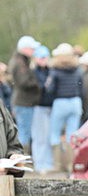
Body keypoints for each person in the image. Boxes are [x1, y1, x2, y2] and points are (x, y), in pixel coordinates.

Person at [46, 43, 83, 175]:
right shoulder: (77, 68)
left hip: (60, 101)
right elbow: (80, 86)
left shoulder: (55, 70)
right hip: (75, 101)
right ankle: (70, 164)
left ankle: (57, 165)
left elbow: (49, 89)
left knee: (55, 133)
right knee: (71, 134)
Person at [7, 35, 41, 152]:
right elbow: (23, 82)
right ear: (24, 48)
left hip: (25, 102)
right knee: (24, 132)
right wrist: (37, 83)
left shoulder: (22, 61)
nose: (33, 51)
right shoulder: (19, 62)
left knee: (25, 131)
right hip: (23, 103)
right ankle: (21, 158)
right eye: (32, 48)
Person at [30, 45, 55, 175]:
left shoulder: (50, 70)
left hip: (51, 106)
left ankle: (49, 163)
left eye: (45, 57)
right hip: (39, 107)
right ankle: (40, 163)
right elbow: (42, 87)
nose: (43, 60)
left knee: (49, 136)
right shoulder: (34, 72)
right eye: (41, 58)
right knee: (40, 136)